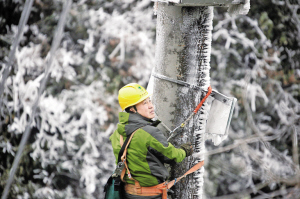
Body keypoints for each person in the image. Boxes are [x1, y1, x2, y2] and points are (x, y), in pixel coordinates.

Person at [109, 83, 193, 199]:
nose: (151, 106)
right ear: (132, 109)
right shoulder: (149, 132)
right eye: (144, 103)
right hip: (151, 195)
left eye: (149, 101)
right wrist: (185, 150)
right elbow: (173, 157)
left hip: (129, 193)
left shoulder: (117, 134)